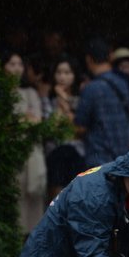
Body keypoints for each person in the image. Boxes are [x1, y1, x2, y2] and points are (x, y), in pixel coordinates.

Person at [4, 49, 47, 232]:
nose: (16, 68)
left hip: (29, 153)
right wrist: (24, 119)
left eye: (19, 64)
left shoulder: (30, 93)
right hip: (8, 153)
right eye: (12, 63)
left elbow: (37, 120)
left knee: (32, 203)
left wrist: (17, 120)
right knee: (13, 201)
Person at [75, 38, 129, 168]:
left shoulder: (91, 88)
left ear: (88, 59)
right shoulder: (124, 83)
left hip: (98, 159)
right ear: (110, 56)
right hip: (122, 158)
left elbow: (79, 127)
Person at [44, 54, 86, 202]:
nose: (62, 77)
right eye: (59, 72)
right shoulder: (47, 101)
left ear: (74, 75)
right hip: (55, 152)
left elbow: (78, 129)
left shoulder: (82, 101)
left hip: (77, 153)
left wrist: (64, 101)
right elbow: (52, 128)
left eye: (67, 73)